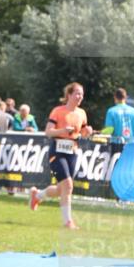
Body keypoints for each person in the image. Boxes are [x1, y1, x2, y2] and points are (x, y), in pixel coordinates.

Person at [29, 82, 93, 229]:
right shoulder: (58, 111)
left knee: (61, 189)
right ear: (69, 95)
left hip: (72, 152)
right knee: (68, 185)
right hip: (56, 152)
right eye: (77, 93)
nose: (80, 97)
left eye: (82, 94)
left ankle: (37, 195)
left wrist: (87, 131)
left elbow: (82, 132)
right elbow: (48, 132)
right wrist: (63, 130)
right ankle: (68, 222)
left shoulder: (82, 113)